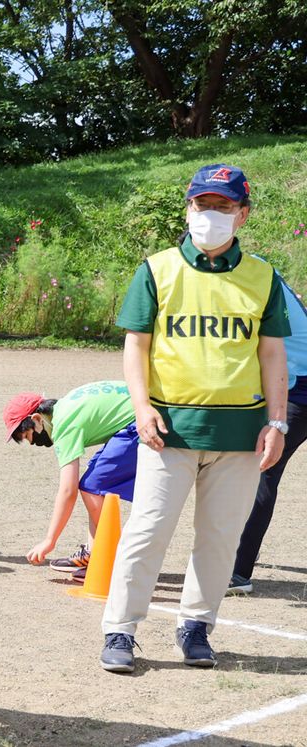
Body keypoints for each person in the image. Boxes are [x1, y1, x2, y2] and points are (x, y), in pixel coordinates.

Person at [100, 164, 289, 674]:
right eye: (202, 205)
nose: (211, 215)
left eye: (223, 206)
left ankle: (196, 627)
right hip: (169, 430)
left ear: (242, 215)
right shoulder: (156, 269)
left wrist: (277, 422)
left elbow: (273, 355)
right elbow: (135, 345)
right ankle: (120, 629)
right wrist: (141, 407)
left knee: (220, 536)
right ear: (188, 210)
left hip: (241, 433)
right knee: (148, 530)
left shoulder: (263, 276)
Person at [3, 381, 138, 578]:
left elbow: (68, 491)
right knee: (92, 483)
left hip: (144, 421)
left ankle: (112, 556)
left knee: (93, 485)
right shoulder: (66, 405)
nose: (31, 442)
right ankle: (96, 553)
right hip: (149, 411)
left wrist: (50, 540)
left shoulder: (63, 426)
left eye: (27, 435)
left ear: (37, 418)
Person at [229, 271, 307, 594]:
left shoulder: (245, 277)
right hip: (297, 377)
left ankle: (237, 573)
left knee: (263, 469)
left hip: (300, 383)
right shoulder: (253, 268)